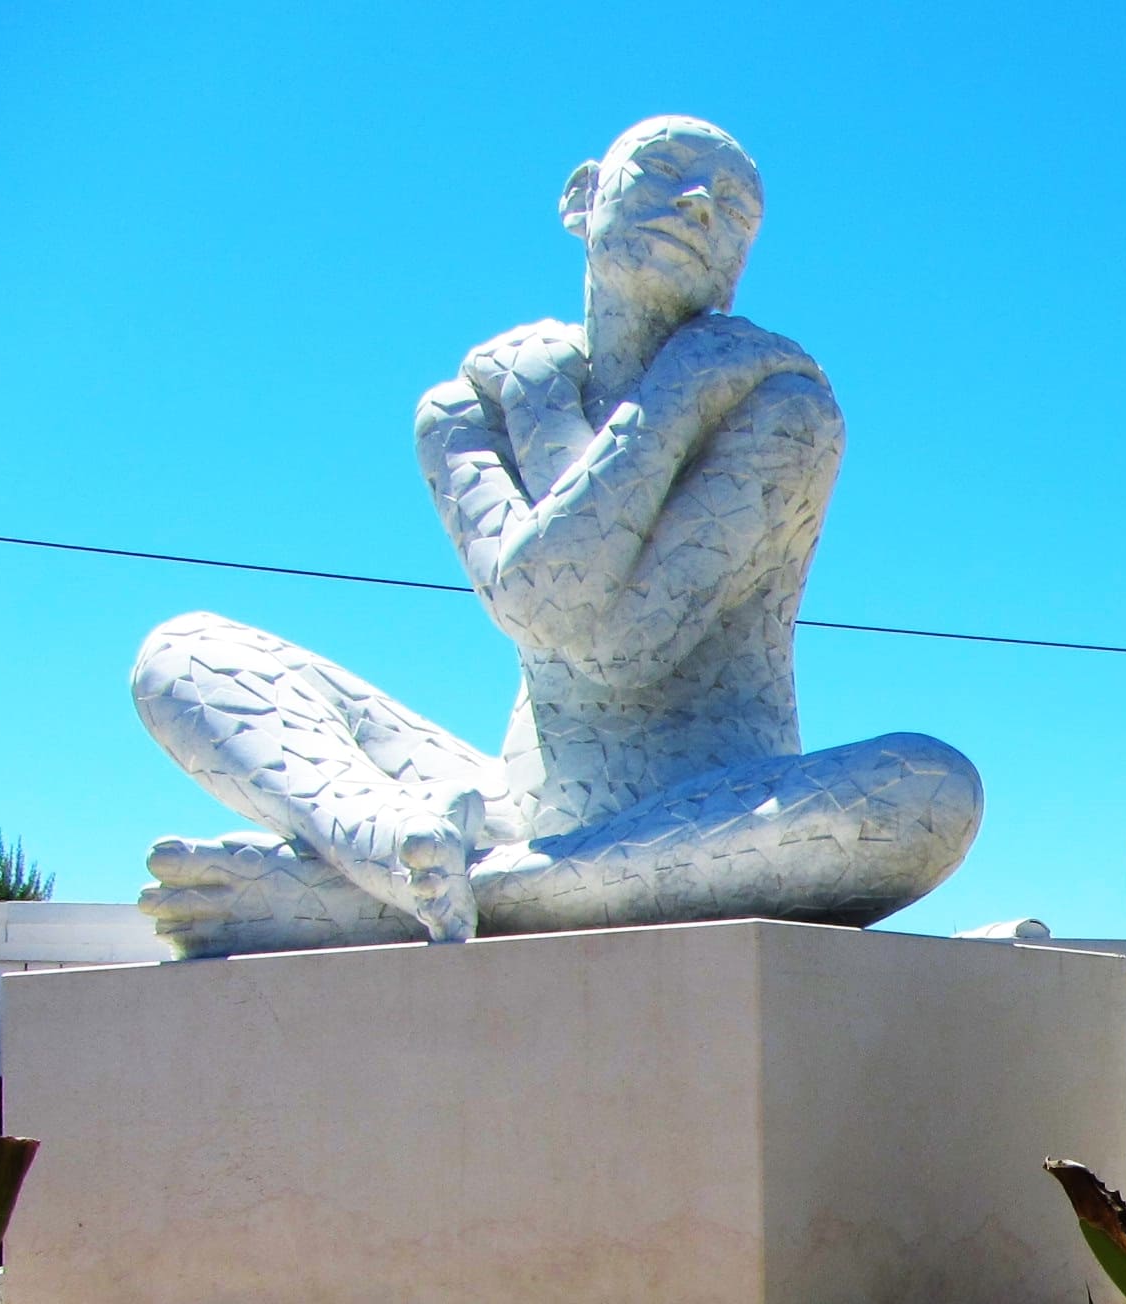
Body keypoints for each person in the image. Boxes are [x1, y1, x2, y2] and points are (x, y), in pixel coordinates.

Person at [134, 116, 982, 957]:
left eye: (733, 207)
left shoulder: (783, 410)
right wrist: (601, 401)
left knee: (926, 792)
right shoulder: (466, 410)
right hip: (518, 808)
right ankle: (387, 843)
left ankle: (425, 895)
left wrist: (671, 396)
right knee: (186, 654)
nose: (698, 204)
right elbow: (537, 600)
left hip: (712, 815)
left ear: (738, 265)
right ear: (582, 198)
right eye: (665, 172)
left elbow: (610, 647)